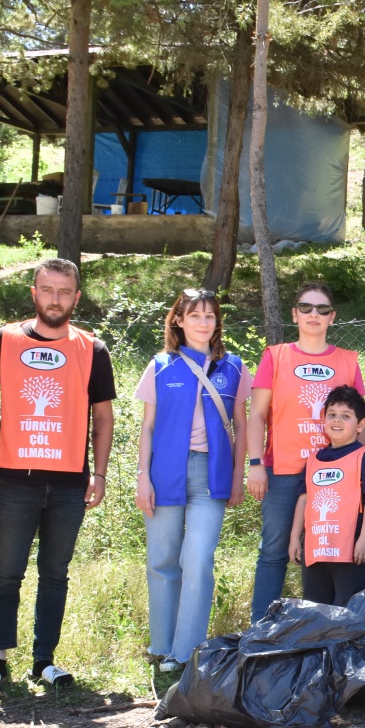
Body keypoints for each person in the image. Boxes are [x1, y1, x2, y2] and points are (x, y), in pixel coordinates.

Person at [0, 259, 115, 693]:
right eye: (47, 290)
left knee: (55, 572)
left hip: (70, 482)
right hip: (16, 478)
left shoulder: (92, 349)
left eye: (64, 291)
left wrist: (100, 473)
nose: (55, 299)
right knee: (7, 572)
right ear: (34, 293)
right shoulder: (6, 340)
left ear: (76, 296)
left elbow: (104, 418)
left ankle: (44, 661)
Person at [133, 289, 247, 674]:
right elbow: (147, 428)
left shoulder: (233, 366)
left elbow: (243, 426)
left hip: (211, 475)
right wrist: (142, 477)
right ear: (178, 321)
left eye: (210, 316)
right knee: (162, 561)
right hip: (164, 472)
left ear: (217, 323)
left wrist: (238, 475)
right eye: (194, 315)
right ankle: (162, 646)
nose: (203, 322)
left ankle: (185, 653)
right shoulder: (161, 365)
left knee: (197, 561)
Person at [245, 282, 365, 621]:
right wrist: (255, 464)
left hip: (334, 473)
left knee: (327, 552)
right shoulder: (276, 355)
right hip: (283, 471)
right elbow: (256, 414)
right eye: (306, 308)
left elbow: (360, 421)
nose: (314, 314)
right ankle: (261, 628)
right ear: (294, 314)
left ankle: (326, 628)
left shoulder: (346, 360)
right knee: (274, 552)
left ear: (332, 317)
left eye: (322, 309)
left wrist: (358, 468)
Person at [288, 385, 365, 605]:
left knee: (347, 608)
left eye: (346, 416)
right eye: (331, 415)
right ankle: (320, 641)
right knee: (315, 607)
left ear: (360, 425)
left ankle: (345, 642)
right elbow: (304, 499)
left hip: (350, 550)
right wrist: (295, 537)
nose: (337, 421)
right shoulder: (313, 459)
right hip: (315, 549)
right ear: (323, 421)